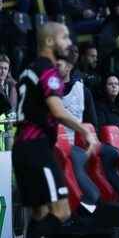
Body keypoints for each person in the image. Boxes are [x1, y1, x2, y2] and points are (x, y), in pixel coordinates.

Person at [12, 22, 99, 238]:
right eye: (65, 38)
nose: (69, 43)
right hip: (37, 149)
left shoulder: (29, 69)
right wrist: (85, 131)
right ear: (50, 41)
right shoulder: (48, 70)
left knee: (40, 214)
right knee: (61, 212)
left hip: (22, 149)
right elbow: (58, 112)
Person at [56, 45, 98, 143]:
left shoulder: (83, 91)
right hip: (53, 144)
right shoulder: (45, 90)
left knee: (111, 153)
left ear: (69, 67)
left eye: (58, 65)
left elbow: (92, 124)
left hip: (78, 143)